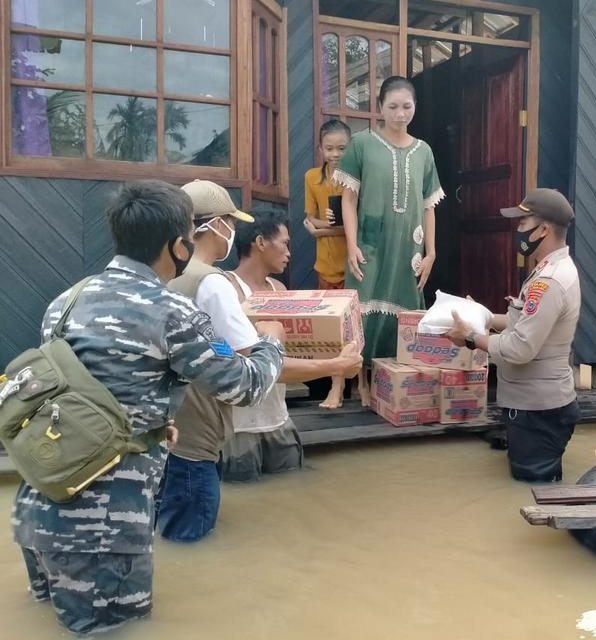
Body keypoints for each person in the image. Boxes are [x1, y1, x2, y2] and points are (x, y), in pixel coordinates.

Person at [10, 180, 286, 635]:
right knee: (113, 631)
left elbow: (82, 391)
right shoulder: (172, 312)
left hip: (38, 502)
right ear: (178, 245)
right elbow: (244, 386)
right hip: (102, 529)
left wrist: (157, 425)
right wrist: (271, 343)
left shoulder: (67, 301)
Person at [156, 183, 361, 541]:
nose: (231, 233)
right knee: (195, 530)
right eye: (229, 223)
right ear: (215, 225)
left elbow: (218, 353)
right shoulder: (215, 284)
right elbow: (251, 363)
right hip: (216, 432)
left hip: (185, 430)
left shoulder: (168, 277)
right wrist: (330, 365)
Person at [446, 188, 581, 482]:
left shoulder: (549, 281)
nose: (517, 230)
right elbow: (527, 322)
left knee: (534, 489)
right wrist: (484, 316)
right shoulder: (550, 270)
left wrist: (470, 337)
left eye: (522, 223)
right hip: (537, 408)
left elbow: (521, 348)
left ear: (543, 228)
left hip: (538, 412)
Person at [334, 76, 444, 405]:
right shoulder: (362, 144)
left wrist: (431, 253)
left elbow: (429, 207)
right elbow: (348, 199)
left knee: (406, 314)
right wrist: (351, 244)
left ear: (415, 108)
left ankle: (395, 387)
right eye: (393, 106)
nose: (400, 114)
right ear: (380, 107)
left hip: (408, 248)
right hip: (369, 244)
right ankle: (359, 384)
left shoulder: (423, 151)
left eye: (406, 106)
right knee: (362, 309)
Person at [221, 210, 342, 481]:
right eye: (284, 243)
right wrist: (334, 365)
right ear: (261, 242)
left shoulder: (279, 290)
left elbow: (298, 350)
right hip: (239, 428)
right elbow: (243, 361)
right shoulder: (226, 290)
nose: (289, 252)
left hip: (278, 419)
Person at [304, 118, 353, 408]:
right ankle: (335, 385)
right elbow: (310, 217)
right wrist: (326, 226)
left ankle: (352, 386)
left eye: (342, 149)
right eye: (330, 148)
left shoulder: (356, 177)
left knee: (354, 328)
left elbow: (356, 225)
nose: (335, 155)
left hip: (355, 264)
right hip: (327, 263)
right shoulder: (312, 177)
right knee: (332, 329)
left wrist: (321, 230)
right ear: (321, 148)